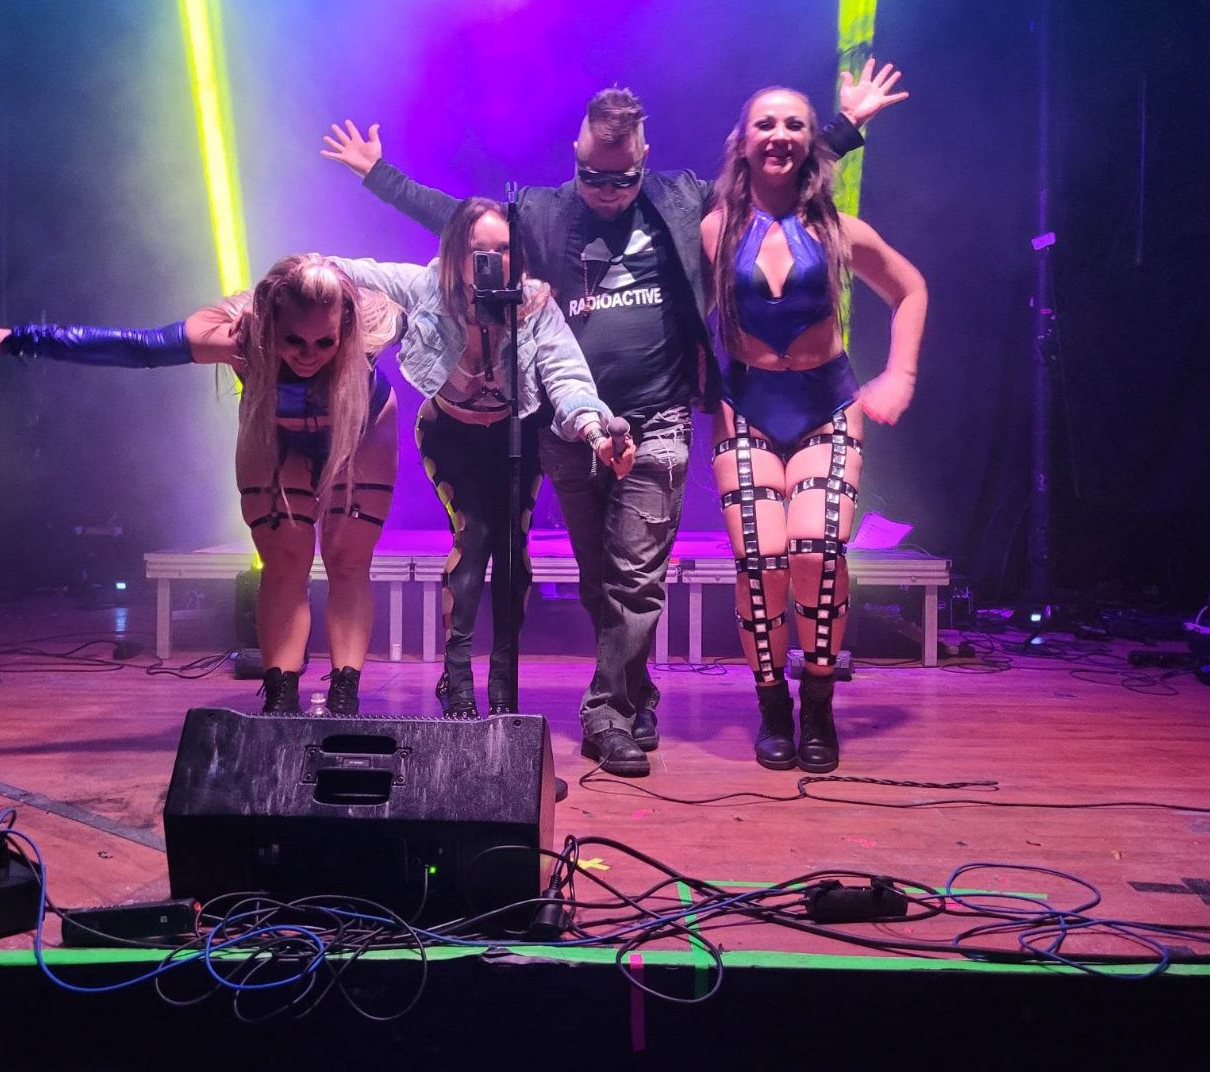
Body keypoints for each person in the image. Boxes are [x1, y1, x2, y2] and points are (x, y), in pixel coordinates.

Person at [321, 59, 907, 776]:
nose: (608, 191)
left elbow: (771, 172)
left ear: (644, 162)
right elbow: (463, 225)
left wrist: (845, 127)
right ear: (576, 158)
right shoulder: (539, 212)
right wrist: (381, 176)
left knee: (635, 578)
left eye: (622, 178)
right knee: (601, 579)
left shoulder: (684, 201)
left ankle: (607, 715)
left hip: (656, 415)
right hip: (568, 423)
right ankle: (635, 689)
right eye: (596, 177)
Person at [0, 255, 401, 717]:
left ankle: (345, 695)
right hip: (274, 432)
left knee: (347, 559)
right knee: (284, 561)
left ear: (345, 328)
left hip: (361, 432)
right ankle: (280, 698)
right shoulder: (238, 342)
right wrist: (10, 340)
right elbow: (134, 348)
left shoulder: (366, 339)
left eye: (325, 342)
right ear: (268, 326)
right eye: (294, 341)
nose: (308, 355)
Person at [329, 196, 634, 718]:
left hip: (515, 441)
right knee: (473, 540)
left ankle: (501, 682)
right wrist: (298, 281)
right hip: (450, 435)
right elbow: (345, 270)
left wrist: (594, 431)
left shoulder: (535, 303)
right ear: (454, 253)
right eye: (476, 251)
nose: (489, 262)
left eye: (502, 250)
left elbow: (567, 377)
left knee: (512, 553)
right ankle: (459, 677)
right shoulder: (426, 287)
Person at [701, 86, 927, 773]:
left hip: (827, 403)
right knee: (762, 559)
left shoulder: (840, 229)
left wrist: (901, 376)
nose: (779, 135)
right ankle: (772, 706)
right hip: (747, 407)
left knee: (815, 550)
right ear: (740, 141)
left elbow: (911, 288)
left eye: (794, 125)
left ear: (811, 141)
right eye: (764, 124)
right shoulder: (714, 228)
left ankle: (819, 705)